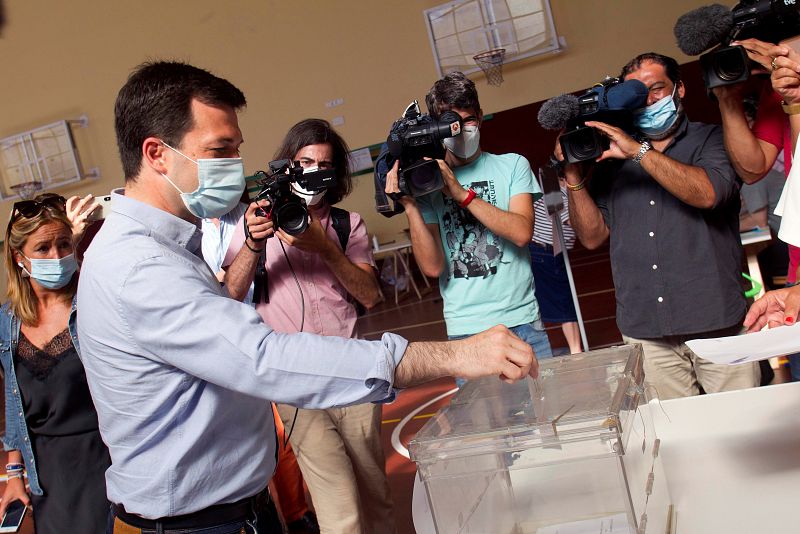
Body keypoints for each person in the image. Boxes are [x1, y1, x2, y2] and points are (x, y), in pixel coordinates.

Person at [77, 61, 537, 534]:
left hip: (237, 507)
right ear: (156, 153)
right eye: (219, 150)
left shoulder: (171, 246)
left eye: (237, 150)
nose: (234, 166)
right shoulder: (139, 267)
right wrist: (458, 354)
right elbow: (262, 358)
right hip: (192, 524)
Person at [218, 118, 394, 533]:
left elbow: (370, 296)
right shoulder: (255, 220)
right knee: (338, 506)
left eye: (323, 164)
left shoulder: (346, 226)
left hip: (354, 375)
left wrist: (325, 248)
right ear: (287, 165)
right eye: (304, 161)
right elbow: (228, 295)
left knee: (375, 494)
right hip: (294, 383)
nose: (313, 171)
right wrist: (252, 242)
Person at [560, 52, 759, 400]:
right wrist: (573, 175)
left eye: (656, 89)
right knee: (676, 443)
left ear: (679, 89)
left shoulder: (712, 139)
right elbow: (591, 237)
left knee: (745, 433)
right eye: (637, 94)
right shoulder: (609, 160)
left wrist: (638, 152)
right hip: (646, 332)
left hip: (718, 325)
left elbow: (708, 193)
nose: (649, 100)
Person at [384, 71, 553, 387]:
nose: (462, 130)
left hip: (522, 322)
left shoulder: (512, 165)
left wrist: (461, 195)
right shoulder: (426, 182)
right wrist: (409, 204)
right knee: (485, 435)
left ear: (480, 118)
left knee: (543, 424)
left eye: (469, 120)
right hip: (466, 331)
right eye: (452, 123)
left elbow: (521, 232)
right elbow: (433, 267)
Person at [201, 202, 319, 533]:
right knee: (237, 441)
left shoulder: (250, 215)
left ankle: (296, 514)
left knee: (282, 437)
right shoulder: (188, 227)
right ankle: (252, 516)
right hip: (217, 347)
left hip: (264, 332)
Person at [0, 193, 110, 533]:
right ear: (19, 258)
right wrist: (14, 475)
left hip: (109, 460)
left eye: (65, 244)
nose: (57, 256)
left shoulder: (92, 300)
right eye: (43, 248)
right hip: (50, 476)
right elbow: (14, 404)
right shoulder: (7, 322)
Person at [529, 178, 582, 354]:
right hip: (546, 251)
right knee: (564, 301)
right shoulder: (557, 192)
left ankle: (572, 349)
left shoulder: (547, 188)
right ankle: (576, 350)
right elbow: (571, 221)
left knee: (549, 300)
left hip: (541, 250)